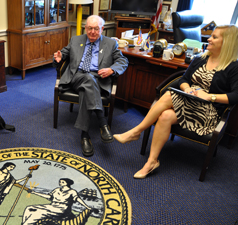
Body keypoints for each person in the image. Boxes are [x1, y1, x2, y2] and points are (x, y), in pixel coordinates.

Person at [114, 25, 238, 179]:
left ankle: (136, 131)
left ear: (226, 42)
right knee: (165, 115)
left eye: (214, 37)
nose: (209, 39)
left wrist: (209, 96)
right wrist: (187, 89)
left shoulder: (233, 67)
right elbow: (184, 79)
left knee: (168, 96)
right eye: (211, 36)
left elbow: (235, 95)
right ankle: (151, 162)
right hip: (190, 102)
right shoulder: (200, 59)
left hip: (209, 113)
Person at [53, 15, 128, 157]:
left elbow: (123, 61)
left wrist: (111, 69)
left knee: (86, 89)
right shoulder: (76, 40)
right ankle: (103, 123)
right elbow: (63, 53)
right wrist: (58, 58)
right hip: (76, 77)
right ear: (85, 28)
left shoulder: (111, 43)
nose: (92, 32)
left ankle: (84, 136)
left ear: (102, 29)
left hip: (98, 79)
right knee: (88, 80)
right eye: (89, 28)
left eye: (96, 29)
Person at [22, 178, 92, 225]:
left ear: (67, 183)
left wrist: (87, 207)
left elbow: (78, 199)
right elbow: (49, 196)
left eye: (62, 182)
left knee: (40, 212)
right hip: (52, 206)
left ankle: (28, 224)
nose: (60, 183)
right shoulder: (57, 189)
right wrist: (34, 192)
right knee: (29, 208)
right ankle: (24, 223)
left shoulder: (72, 191)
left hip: (62, 209)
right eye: (60, 182)